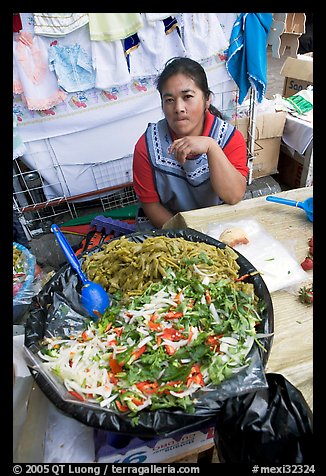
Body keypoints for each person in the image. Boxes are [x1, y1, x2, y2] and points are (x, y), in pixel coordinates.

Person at [132, 57, 249, 230]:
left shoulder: (229, 139)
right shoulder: (147, 146)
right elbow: (151, 205)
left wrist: (211, 147)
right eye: (169, 100)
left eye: (188, 97)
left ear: (207, 99)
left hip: (218, 226)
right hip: (169, 229)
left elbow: (233, 196)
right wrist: (187, 239)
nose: (178, 108)